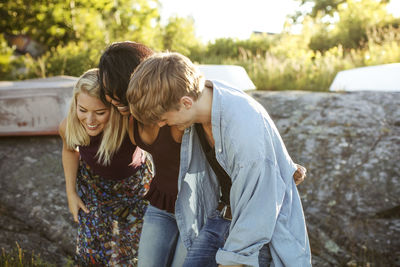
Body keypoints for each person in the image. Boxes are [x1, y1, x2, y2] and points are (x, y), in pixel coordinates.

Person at [99, 41, 307, 267]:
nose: (162, 124)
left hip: (258, 230)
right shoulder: (200, 101)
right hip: (220, 216)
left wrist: (234, 260)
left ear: (185, 103)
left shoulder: (242, 128)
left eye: (164, 118)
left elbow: (258, 208)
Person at [59, 68, 152, 266]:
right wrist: (71, 192)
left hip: (133, 189)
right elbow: (69, 150)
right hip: (94, 188)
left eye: (100, 113)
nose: (90, 120)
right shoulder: (69, 126)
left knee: (128, 256)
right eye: (82, 110)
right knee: (92, 252)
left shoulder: (130, 126)